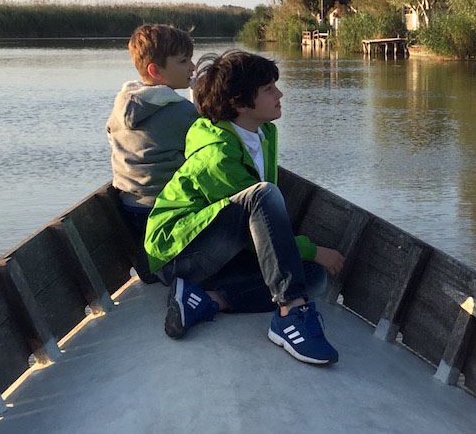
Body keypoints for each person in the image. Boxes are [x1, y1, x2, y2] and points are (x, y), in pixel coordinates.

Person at [144, 50, 344, 366]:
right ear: (239, 103)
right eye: (268, 89)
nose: (279, 94)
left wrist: (306, 257)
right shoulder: (218, 154)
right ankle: (291, 314)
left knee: (314, 278)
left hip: (221, 252)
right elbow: (256, 226)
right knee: (262, 196)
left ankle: (206, 299)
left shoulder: (262, 133)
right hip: (180, 254)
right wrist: (311, 248)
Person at [107, 24, 199, 281]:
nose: (192, 67)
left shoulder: (123, 104)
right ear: (155, 70)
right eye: (183, 61)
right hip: (166, 209)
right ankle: (163, 267)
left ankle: (152, 262)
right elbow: (208, 141)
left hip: (131, 208)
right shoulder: (181, 111)